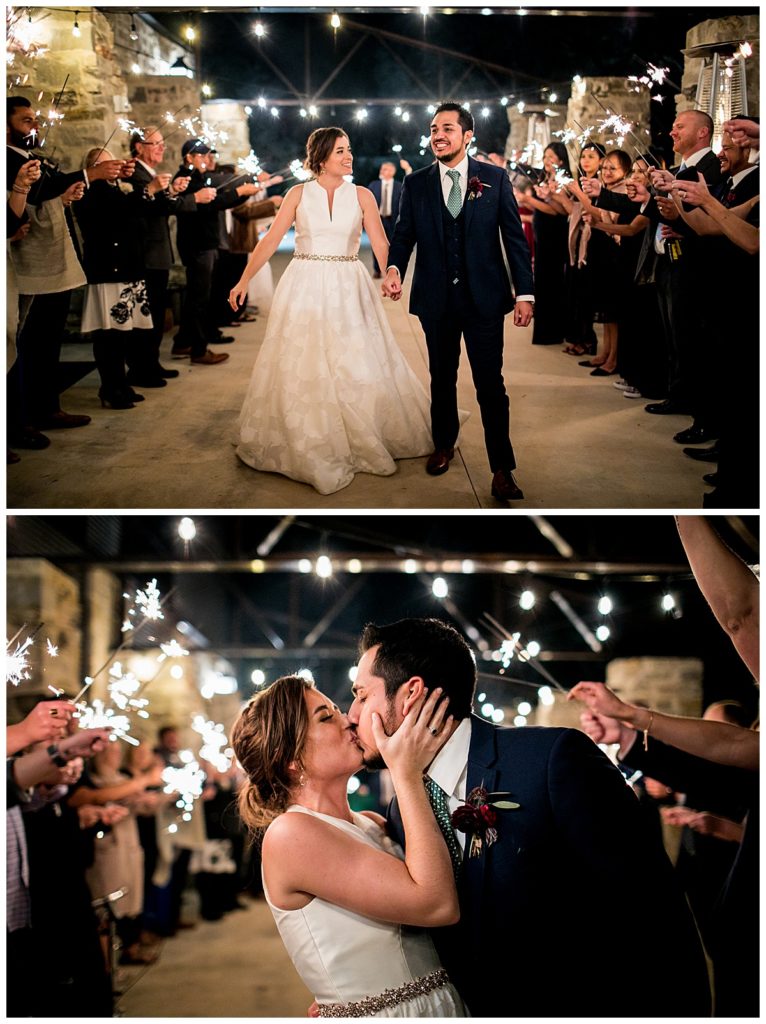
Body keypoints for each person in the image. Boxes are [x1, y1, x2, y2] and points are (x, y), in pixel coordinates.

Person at [348, 617, 711, 1018]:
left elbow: (656, 913)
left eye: (362, 696)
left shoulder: (551, 760)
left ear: (410, 694)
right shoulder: (402, 809)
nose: (351, 713)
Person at [230, 675, 465, 1017]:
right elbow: (437, 905)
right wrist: (406, 773)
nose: (349, 719)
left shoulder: (372, 823)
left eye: (339, 710)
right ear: (289, 759)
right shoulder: (290, 834)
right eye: (326, 718)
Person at [228, 127, 433, 495]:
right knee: (304, 360)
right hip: (304, 282)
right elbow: (272, 238)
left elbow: (382, 241)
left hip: (349, 283)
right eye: (341, 151)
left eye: (349, 150)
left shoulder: (363, 195)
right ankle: (311, 436)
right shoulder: (296, 194)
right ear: (321, 157)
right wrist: (243, 280)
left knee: (354, 359)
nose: (349, 156)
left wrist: (391, 272)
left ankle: (361, 430)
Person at [383, 103, 534, 502]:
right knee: (441, 378)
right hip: (436, 299)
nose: (438, 135)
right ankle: (443, 444)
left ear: (468, 135)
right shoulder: (416, 184)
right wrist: (395, 267)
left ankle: (502, 469)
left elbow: (515, 241)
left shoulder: (495, 179)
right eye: (434, 129)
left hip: (484, 298)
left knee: (490, 385)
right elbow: (403, 236)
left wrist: (526, 293)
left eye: (447, 128)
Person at [366, 161, 402, 277]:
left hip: (393, 220)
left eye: (385, 169)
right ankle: (377, 270)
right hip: (377, 220)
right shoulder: (373, 185)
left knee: (393, 246)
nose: (382, 171)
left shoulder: (399, 186)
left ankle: (392, 270)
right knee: (376, 245)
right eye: (382, 169)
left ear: (392, 172)